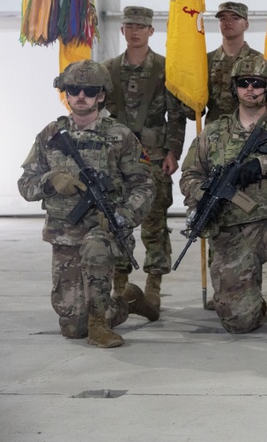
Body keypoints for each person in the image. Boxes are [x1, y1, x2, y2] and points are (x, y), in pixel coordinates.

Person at [180, 57, 267, 350]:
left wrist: (264, 164)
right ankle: (251, 305)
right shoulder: (214, 133)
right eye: (244, 83)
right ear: (235, 88)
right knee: (238, 322)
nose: (251, 89)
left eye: (258, 84)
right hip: (231, 230)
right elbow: (189, 175)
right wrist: (205, 194)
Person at [18, 60, 155, 348]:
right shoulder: (50, 135)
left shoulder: (120, 136)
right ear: (66, 93)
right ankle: (128, 300)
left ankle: (99, 326)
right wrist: (50, 180)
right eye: (74, 89)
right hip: (65, 234)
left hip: (103, 231)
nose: (81, 96)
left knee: (95, 248)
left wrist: (122, 216)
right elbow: (25, 184)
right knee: (71, 326)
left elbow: (143, 185)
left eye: (90, 90)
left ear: (101, 95)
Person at [104, 6, 188, 319]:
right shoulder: (109, 70)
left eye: (141, 26)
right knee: (119, 222)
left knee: (154, 222)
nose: (135, 31)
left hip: (154, 156)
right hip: (118, 158)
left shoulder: (165, 70)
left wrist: (172, 152)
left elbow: (176, 116)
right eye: (129, 25)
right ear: (122, 30)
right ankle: (119, 285)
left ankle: (153, 285)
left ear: (151, 31)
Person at [206, 1, 264, 124]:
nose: (228, 22)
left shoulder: (259, 61)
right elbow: (194, 110)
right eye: (222, 18)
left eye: (235, 18)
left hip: (249, 134)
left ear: (246, 25)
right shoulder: (206, 61)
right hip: (214, 136)